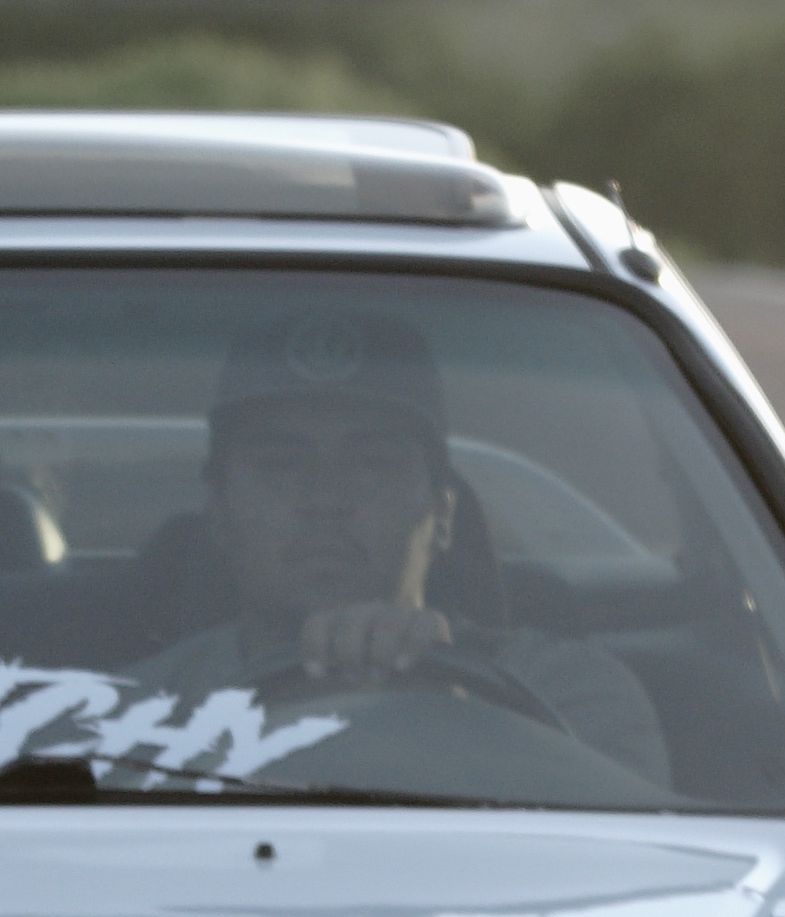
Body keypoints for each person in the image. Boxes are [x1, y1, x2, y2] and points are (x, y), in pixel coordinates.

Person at [133, 305, 669, 786]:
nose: (325, 499)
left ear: (442, 515)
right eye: (281, 464)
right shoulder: (128, 713)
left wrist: (457, 717)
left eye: (373, 464)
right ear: (219, 512)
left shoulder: (574, 698)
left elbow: (618, 871)